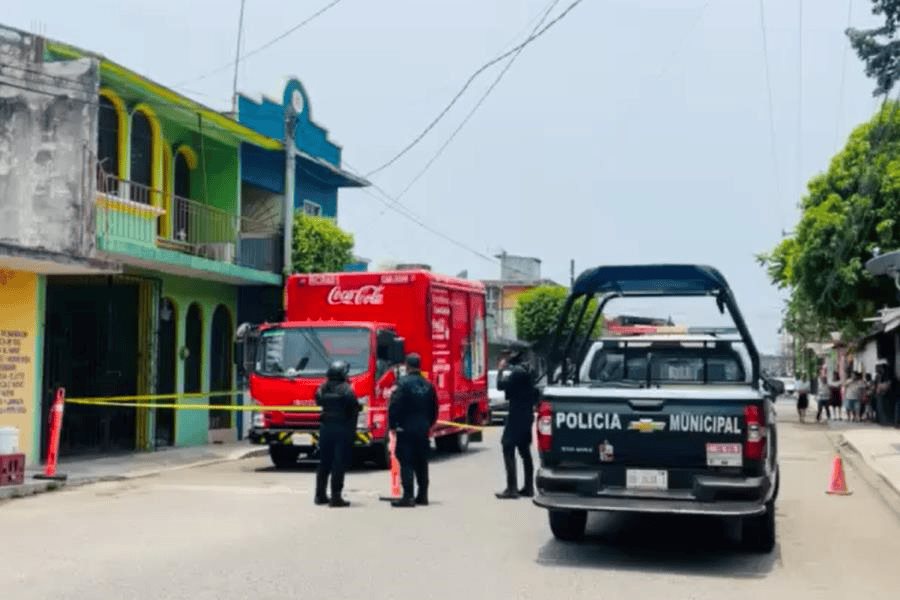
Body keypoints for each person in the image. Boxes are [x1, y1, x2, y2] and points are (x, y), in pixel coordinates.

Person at [388, 353, 439, 508]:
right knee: (422, 461)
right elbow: (434, 409)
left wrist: (392, 425)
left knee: (406, 461)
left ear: (407, 366)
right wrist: (428, 424)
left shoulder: (402, 384)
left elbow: (394, 405)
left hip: (406, 428)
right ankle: (423, 495)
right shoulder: (428, 385)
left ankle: (408, 496)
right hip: (423, 428)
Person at [314, 360, 360, 508]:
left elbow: (317, 401)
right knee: (339, 463)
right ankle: (336, 497)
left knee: (324, 462)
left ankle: (320, 495)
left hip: (326, 428)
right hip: (342, 429)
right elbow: (354, 408)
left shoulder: (322, 388)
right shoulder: (346, 389)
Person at [495, 346, 538, 499]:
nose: (506, 359)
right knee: (524, 451)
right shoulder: (528, 370)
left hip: (517, 416)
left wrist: (500, 370)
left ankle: (511, 488)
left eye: (508, 356)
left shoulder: (517, 372)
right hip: (526, 415)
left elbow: (500, 385)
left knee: (507, 446)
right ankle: (528, 487)